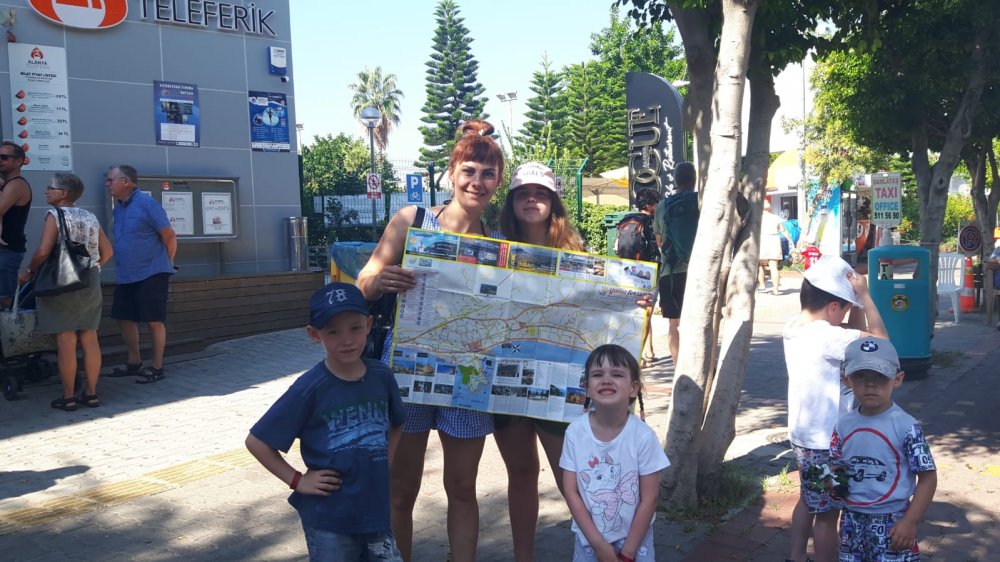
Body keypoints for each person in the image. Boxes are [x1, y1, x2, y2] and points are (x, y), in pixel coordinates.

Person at [357, 120, 505, 562]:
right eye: (469, 171)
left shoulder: (499, 246)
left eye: (488, 173)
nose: (477, 181)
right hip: (409, 369)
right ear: (452, 173)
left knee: (462, 487)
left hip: (469, 375)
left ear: (498, 182)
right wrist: (382, 280)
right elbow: (363, 281)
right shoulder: (412, 221)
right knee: (401, 489)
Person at [246, 282, 405, 562]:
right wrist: (297, 480)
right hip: (329, 519)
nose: (347, 340)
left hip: (375, 512)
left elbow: (397, 422)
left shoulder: (382, 376)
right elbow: (257, 442)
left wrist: (385, 461)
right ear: (314, 334)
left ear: (369, 325)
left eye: (355, 328)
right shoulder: (310, 387)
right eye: (333, 331)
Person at [494, 161, 585, 562]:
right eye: (523, 193)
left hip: (559, 382)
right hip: (507, 380)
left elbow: (601, 307)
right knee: (521, 474)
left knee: (571, 476)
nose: (532, 200)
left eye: (541, 194)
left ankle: (602, 549)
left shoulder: (575, 252)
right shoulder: (492, 247)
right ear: (512, 201)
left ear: (553, 203)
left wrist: (636, 304)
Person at [783, 256, 888, 562]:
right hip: (826, 441)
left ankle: (796, 557)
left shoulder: (796, 326)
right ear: (832, 307)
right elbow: (881, 342)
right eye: (845, 307)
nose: (847, 313)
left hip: (805, 436)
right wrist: (865, 297)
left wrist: (852, 301)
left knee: (809, 500)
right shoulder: (827, 336)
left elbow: (849, 333)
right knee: (829, 514)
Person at [560, 344, 669, 562]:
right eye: (597, 374)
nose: (606, 380)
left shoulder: (644, 436)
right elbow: (571, 492)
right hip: (590, 542)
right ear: (587, 387)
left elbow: (650, 498)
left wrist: (628, 552)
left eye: (617, 374)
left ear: (633, 388)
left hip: (635, 542)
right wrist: (599, 545)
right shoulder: (574, 432)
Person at [831, 337, 937, 561]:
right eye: (860, 375)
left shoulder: (906, 426)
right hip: (851, 520)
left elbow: (928, 478)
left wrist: (910, 521)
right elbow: (836, 466)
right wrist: (831, 481)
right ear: (846, 380)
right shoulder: (843, 425)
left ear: (897, 379)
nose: (870, 384)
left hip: (892, 522)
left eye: (880, 376)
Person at [19, 173, 112, 412]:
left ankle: (68, 397)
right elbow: (108, 251)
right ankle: (91, 394)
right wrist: (92, 268)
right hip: (90, 279)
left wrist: (28, 272)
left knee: (66, 340)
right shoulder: (90, 216)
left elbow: (43, 251)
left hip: (61, 281)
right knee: (90, 337)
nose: (46, 191)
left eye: (50, 188)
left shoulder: (55, 215)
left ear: (64, 193)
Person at [105, 165, 177, 383]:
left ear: (126, 181)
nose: (107, 184)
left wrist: (167, 263)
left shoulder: (147, 204)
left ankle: (157, 367)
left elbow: (169, 236)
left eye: (111, 180)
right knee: (123, 317)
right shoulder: (118, 207)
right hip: (126, 273)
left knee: (154, 320)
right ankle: (134, 361)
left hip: (152, 272)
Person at [653, 161, 699, 365]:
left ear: (675, 180)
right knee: (701, 320)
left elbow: (659, 242)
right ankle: (700, 364)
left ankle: (678, 367)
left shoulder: (662, 206)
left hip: (670, 272)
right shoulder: (700, 201)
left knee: (674, 323)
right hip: (698, 270)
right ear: (694, 179)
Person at [0, 141, 32, 308]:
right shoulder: (6, 185)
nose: (0, 160)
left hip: (7, 250)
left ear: (19, 161)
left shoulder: (17, 184)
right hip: (5, 250)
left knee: (4, 300)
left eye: (4, 157)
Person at [633, 188, 660, 367]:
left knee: (645, 313)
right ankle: (637, 356)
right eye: (656, 203)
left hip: (630, 270)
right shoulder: (652, 222)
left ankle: (649, 351)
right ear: (649, 205)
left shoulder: (629, 220)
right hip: (649, 272)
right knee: (646, 313)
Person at [759, 199, 792, 295]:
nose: (768, 203)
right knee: (772, 266)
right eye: (766, 202)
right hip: (773, 239)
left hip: (763, 239)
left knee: (761, 265)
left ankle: (763, 286)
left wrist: (790, 241)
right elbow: (783, 230)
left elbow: (783, 230)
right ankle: (775, 289)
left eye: (768, 202)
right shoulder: (775, 217)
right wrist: (790, 240)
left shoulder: (757, 217)